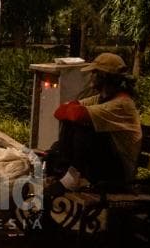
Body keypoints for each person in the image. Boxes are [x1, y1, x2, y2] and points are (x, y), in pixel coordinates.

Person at [45, 52, 141, 192]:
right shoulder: (100, 98)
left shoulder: (122, 104)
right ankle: (65, 173)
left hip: (119, 173)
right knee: (72, 124)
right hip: (103, 165)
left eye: (94, 72)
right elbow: (59, 112)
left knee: (85, 128)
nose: (91, 76)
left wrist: (73, 110)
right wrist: (72, 111)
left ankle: (72, 176)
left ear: (104, 76)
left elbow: (77, 114)